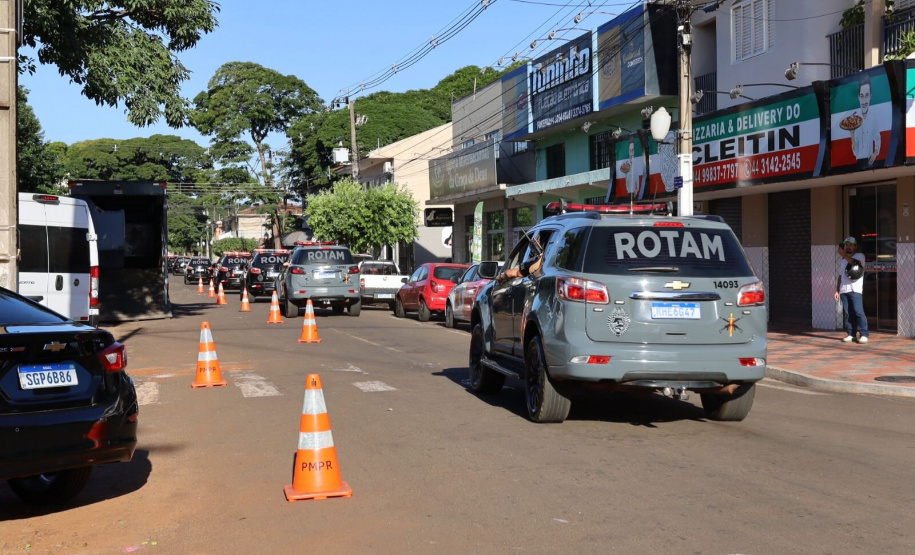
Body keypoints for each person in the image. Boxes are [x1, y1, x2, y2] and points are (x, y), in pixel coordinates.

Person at [834, 236, 869, 344]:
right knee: (849, 313)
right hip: (844, 289)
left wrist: (843, 254)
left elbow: (855, 263)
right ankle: (851, 334)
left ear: (855, 246)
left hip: (855, 289)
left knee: (858, 312)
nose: (848, 247)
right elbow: (840, 276)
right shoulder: (844, 260)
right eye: (846, 245)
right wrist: (837, 290)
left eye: (850, 245)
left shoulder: (860, 256)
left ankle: (864, 334)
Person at [849, 74, 881, 168]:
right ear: (858, 97)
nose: (864, 101)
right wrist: (852, 135)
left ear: (870, 96)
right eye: (862, 96)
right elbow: (855, 151)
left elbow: (878, 138)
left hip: (871, 163)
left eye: (866, 96)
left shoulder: (873, 118)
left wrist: (875, 153)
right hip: (859, 163)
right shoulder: (854, 120)